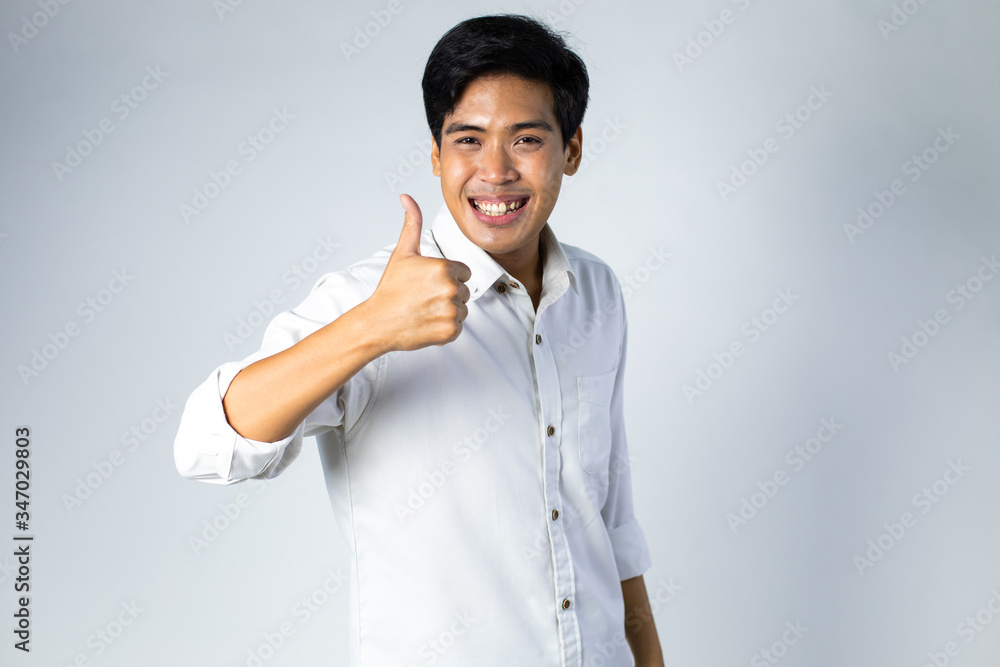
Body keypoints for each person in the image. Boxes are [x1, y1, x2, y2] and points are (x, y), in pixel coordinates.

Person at [174, 13, 664, 667]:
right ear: (436, 154)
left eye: (526, 139)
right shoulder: (367, 300)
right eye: (468, 140)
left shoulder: (596, 291)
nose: (495, 170)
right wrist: (372, 327)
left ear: (571, 149)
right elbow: (205, 445)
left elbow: (611, 523)